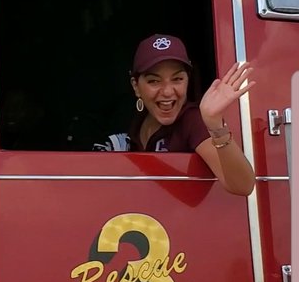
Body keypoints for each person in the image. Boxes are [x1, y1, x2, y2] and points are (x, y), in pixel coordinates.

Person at [93, 34, 256, 196]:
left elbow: (243, 186)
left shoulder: (193, 120)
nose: (167, 91)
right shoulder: (137, 121)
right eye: (154, 81)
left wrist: (215, 124)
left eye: (177, 79)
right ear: (136, 86)